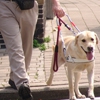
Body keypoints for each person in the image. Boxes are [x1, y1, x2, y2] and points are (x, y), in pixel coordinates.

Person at [0, 0, 65, 100]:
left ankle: (15, 78)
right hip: (4, 6)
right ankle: (22, 83)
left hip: (28, 6)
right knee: (15, 47)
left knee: (27, 45)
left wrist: (56, 3)